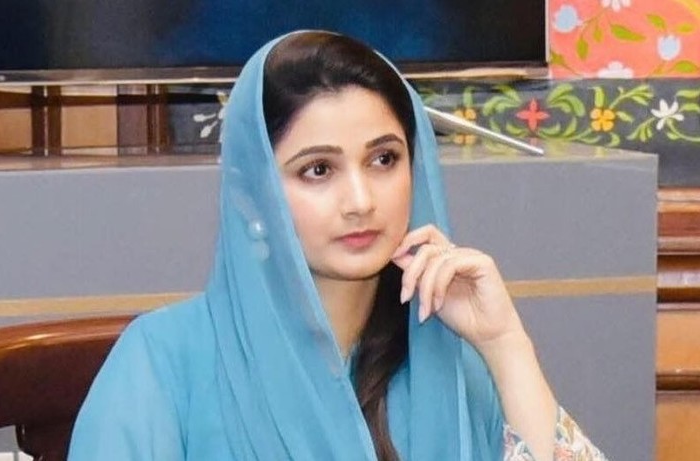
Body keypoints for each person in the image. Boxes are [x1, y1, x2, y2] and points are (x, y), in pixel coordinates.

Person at [68, 31, 607, 461]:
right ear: (252, 198)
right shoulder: (163, 362)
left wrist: (505, 344)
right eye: (319, 169)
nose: (360, 201)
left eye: (383, 160)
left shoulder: (449, 360)